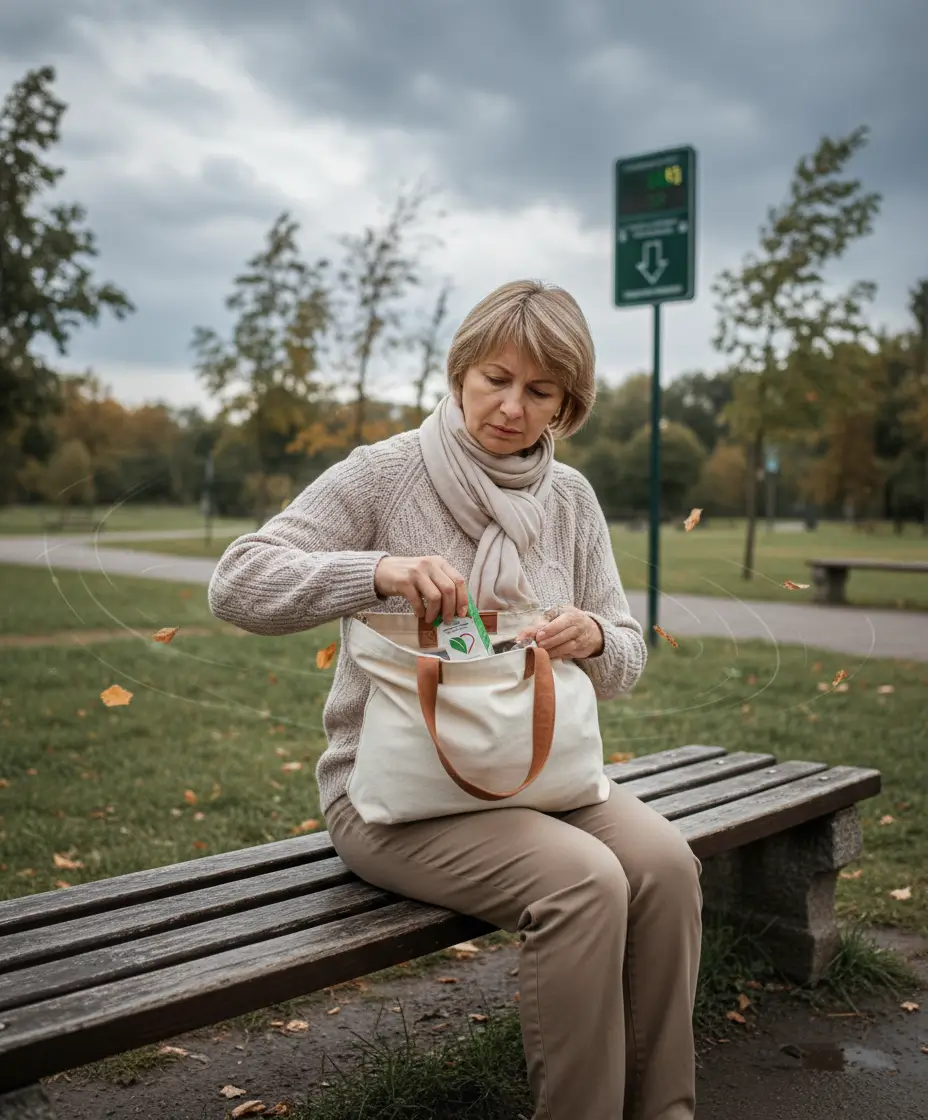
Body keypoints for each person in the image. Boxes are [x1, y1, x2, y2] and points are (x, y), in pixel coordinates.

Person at [208, 279, 703, 1120]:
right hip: (398, 795)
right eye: (494, 379)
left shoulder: (571, 499)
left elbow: (624, 659)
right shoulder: (385, 475)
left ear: (567, 404)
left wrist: (592, 636)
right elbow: (237, 584)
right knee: (584, 883)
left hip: (539, 771)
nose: (511, 406)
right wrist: (374, 571)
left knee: (664, 866)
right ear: (460, 371)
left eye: (539, 390)